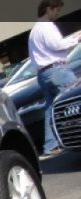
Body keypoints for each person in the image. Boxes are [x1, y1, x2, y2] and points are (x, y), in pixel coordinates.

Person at [29, 0, 81, 156]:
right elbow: (57, 45)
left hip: (43, 74)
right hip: (57, 71)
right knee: (74, 101)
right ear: (48, 9)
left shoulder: (35, 30)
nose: (58, 13)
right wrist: (76, 39)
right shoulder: (46, 27)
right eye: (56, 10)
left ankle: (50, 145)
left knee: (51, 109)